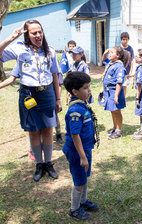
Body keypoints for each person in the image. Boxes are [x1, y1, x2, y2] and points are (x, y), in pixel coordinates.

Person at [0, 19, 61, 181]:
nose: (38, 35)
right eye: (34, 32)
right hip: (28, 95)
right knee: (33, 131)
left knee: (48, 130)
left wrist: (58, 98)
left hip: (47, 94)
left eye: (40, 31)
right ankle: (39, 164)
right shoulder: (19, 49)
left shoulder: (50, 51)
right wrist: (10, 39)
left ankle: (48, 163)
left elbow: (55, 75)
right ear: (27, 34)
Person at [63, 71, 99, 220]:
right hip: (78, 152)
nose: (89, 90)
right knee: (79, 180)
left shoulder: (82, 104)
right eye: (85, 88)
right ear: (75, 91)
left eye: (89, 87)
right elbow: (75, 135)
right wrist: (83, 157)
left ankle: (83, 202)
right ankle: (74, 209)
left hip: (85, 149)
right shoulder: (75, 111)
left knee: (84, 177)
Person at [102, 46, 129, 140]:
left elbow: (119, 82)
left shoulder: (119, 66)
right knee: (112, 110)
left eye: (112, 52)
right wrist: (105, 53)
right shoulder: (111, 63)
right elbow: (103, 60)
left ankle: (118, 130)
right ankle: (114, 127)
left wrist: (116, 95)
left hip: (114, 91)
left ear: (117, 55)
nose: (110, 54)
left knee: (117, 111)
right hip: (109, 91)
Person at [120, 32, 134, 96]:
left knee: (125, 85)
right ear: (121, 39)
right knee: (119, 84)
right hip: (119, 69)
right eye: (124, 39)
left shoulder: (130, 49)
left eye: (126, 39)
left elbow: (131, 60)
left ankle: (123, 98)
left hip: (127, 70)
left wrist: (131, 71)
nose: (125, 41)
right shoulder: (118, 48)